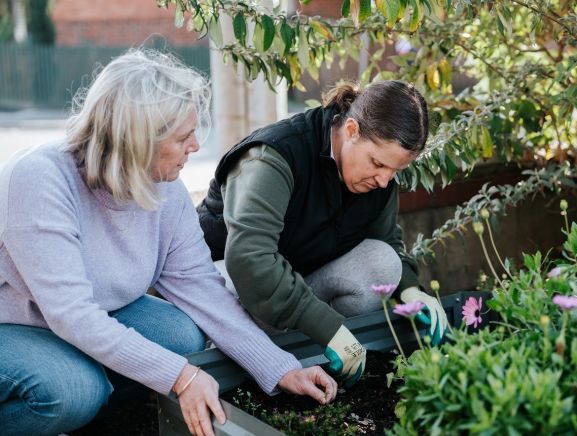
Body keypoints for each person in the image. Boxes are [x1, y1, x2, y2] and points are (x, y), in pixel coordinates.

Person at [0, 49, 337, 436]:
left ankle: (105, 420)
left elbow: (199, 286)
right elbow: (73, 316)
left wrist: (280, 367)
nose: (195, 147)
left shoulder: (164, 188)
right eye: (183, 137)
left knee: (181, 336)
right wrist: (182, 377)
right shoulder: (39, 180)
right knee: (76, 391)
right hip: (13, 324)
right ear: (138, 141)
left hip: (76, 317)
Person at [197, 80, 450, 387]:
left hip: (293, 289)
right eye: (378, 164)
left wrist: (412, 291)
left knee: (382, 263)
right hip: (231, 286)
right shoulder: (273, 156)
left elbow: (386, 241)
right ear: (352, 130)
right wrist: (329, 327)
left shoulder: (375, 178)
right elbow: (250, 259)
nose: (385, 181)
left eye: (394, 171)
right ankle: (238, 370)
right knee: (231, 289)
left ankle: (315, 358)